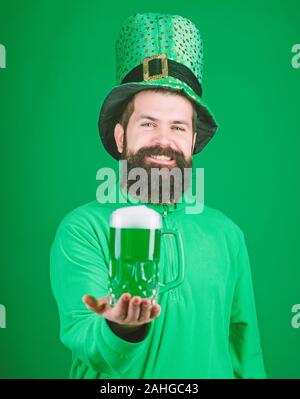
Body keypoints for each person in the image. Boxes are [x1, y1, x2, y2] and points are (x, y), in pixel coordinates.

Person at [50, 12, 266, 379]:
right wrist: (121, 328)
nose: (164, 141)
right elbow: (84, 334)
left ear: (193, 142)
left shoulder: (228, 235)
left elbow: (246, 355)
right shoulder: (82, 229)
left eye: (178, 127)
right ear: (121, 137)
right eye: (148, 124)